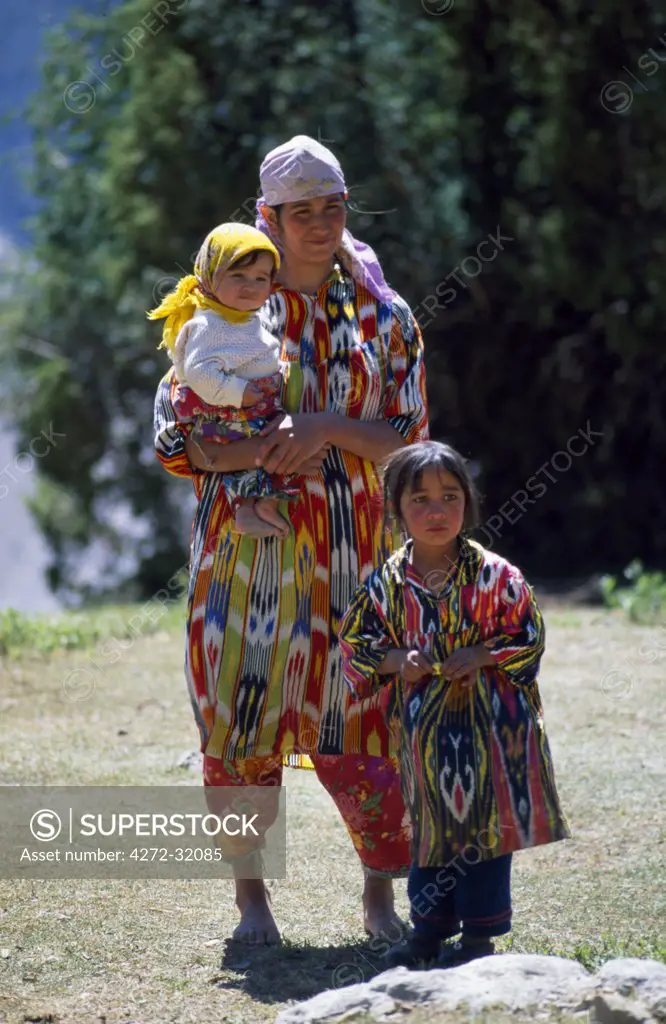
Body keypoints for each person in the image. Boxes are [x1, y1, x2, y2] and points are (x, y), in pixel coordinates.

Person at [153, 135, 429, 944]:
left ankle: (380, 900)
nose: (317, 225)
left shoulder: (387, 316)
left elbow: (411, 441)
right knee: (238, 725)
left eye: (331, 209)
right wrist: (239, 452)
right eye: (298, 213)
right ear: (266, 218)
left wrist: (325, 427)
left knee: (366, 722)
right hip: (244, 560)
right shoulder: (229, 306)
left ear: (349, 210)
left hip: (358, 555)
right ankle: (252, 908)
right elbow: (177, 432)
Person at [338, 440, 570, 968]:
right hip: (425, 737)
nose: (436, 510)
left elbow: (528, 635)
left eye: (450, 495)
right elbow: (356, 644)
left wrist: (484, 654)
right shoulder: (385, 586)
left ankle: (478, 942)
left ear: (469, 502)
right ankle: (427, 933)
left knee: (486, 833)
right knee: (431, 831)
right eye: (419, 500)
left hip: (492, 729)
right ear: (396, 510)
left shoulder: (497, 577)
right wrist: (398, 660)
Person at [148, 223, 298, 538]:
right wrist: (239, 392)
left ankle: (264, 505)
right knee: (256, 457)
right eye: (237, 276)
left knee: (269, 458)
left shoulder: (244, 317)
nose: (250, 286)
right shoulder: (209, 324)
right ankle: (245, 511)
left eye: (261, 278)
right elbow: (200, 371)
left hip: (253, 403)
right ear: (210, 276)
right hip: (232, 412)